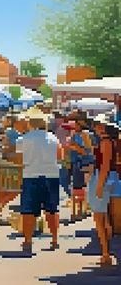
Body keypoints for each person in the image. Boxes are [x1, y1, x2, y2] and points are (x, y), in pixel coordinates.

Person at [16, 106, 61, 253]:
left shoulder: (23, 139)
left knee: (29, 210)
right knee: (52, 210)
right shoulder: (53, 138)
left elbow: (18, 160)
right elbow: (60, 156)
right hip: (51, 175)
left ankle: (28, 241)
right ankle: (54, 239)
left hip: (31, 175)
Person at [88, 114, 121, 266]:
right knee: (105, 218)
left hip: (104, 178)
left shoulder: (106, 141)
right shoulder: (110, 141)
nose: (95, 126)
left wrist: (99, 185)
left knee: (99, 218)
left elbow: (105, 165)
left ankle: (106, 254)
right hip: (108, 178)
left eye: (97, 124)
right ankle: (106, 253)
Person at [68, 110, 94, 221]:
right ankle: (76, 211)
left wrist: (77, 148)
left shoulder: (87, 134)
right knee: (76, 187)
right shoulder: (74, 134)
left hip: (86, 162)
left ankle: (82, 210)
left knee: (83, 188)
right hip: (77, 162)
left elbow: (88, 151)